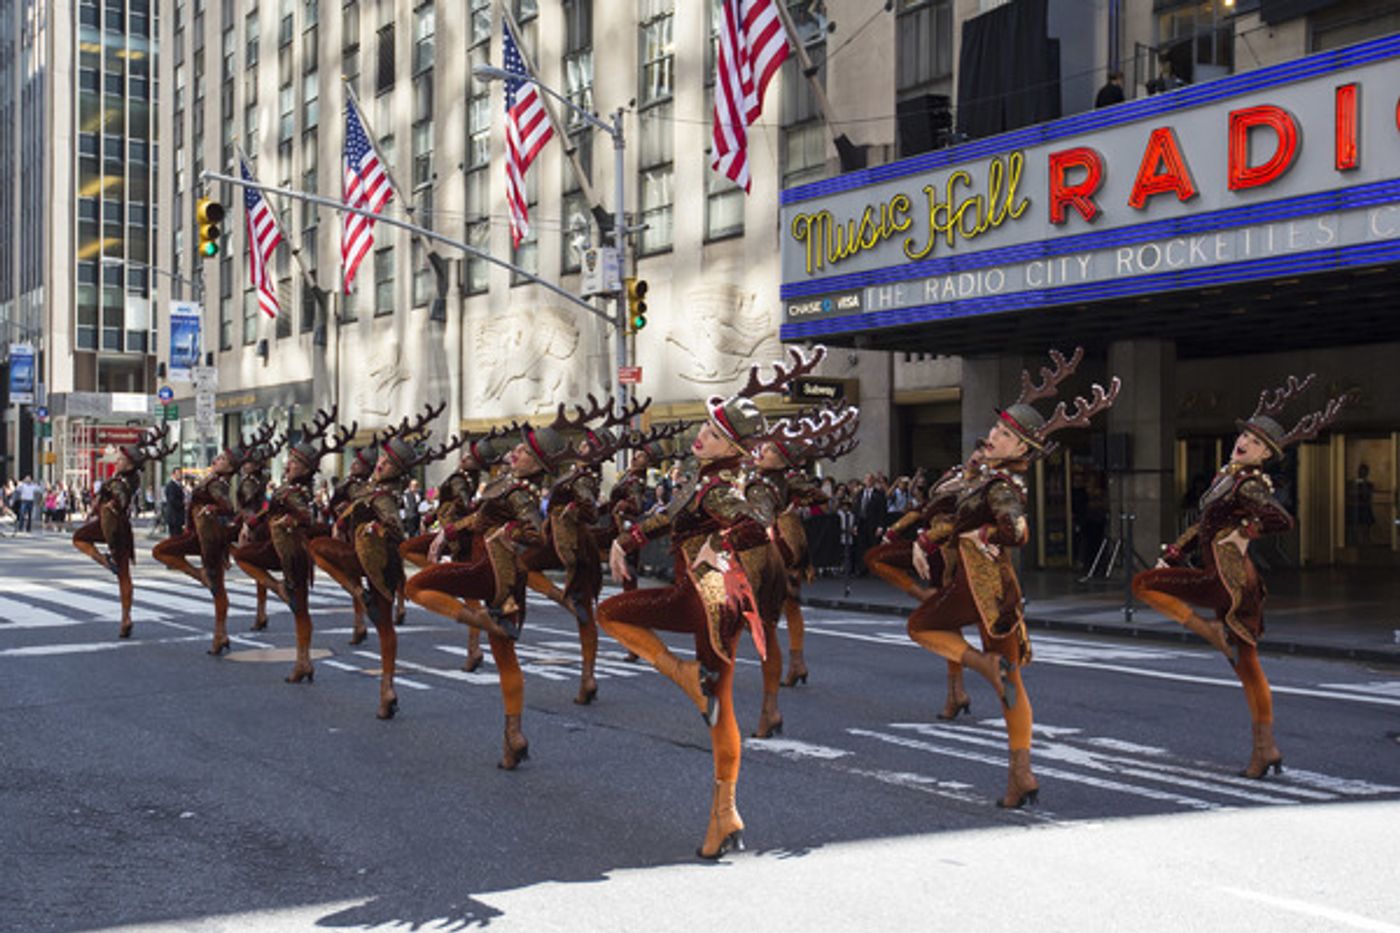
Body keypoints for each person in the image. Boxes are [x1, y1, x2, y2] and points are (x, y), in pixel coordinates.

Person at [600, 346, 818, 859]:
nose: (703, 434)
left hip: (701, 598)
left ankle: (683, 679)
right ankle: (724, 814)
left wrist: (750, 532)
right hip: (716, 601)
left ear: (734, 449)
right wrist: (624, 541)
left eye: (716, 432)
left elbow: (742, 521)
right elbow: (670, 514)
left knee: (610, 614)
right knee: (720, 711)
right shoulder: (708, 481)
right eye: (707, 425)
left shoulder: (721, 489)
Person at [906, 348, 1119, 808]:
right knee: (1012, 685)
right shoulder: (984, 477)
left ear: (1022, 448)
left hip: (982, 587)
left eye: (1005, 434)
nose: (994, 436)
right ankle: (1021, 774)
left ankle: (985, 675)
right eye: (997, 429)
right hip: (993, 591)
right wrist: (924, 540)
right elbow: (949, 517)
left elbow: (1017, 531)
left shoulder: (1002, 485)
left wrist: (984, 531)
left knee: (921, 627)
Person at [1134, 375, 1347, 778]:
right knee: (1248, 666)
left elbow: (1282, 519)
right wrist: (1177, 551)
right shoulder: (1228, 476)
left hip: (1228, 581)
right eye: (1245, 435)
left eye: (1255, 442)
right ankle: (1265, 749)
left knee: (1141, 585)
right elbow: (1204, 523)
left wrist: (1246, 531)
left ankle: (1210, 633)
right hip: (1229, 578)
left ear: (1266, 454)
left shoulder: (1248, 485)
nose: (1244, 442)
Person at [164, 468, 186, 543]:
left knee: (178, 537)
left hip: (178, 517)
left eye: (181, 473)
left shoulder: (179, 485)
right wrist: (184, 504)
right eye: (178, 474)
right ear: (173, 475)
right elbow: (172, 500)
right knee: (175, 538)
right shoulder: (171, 486)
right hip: (174, 517)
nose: (181, 475)